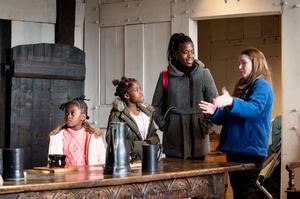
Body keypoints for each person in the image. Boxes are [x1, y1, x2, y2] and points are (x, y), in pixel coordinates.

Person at [199, 47, 273, 199]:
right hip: (236, 150)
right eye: (239, 63)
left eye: (243, 63)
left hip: (249, 151)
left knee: (245, 193)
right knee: (241, 194)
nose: (239, 67)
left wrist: (231, 101)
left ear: (255, 63)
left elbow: (254, 108)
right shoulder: (242, 85)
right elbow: (228, 118)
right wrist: (215, 112)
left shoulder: (262, 85)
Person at [152, 33, 218, 159]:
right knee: (175, 178)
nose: (190, 56)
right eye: (185, 52)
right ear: (176, 54)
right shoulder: (165, 76)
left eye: (192, 51)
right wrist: (165, 126)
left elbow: (215, 103)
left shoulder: (204, 74)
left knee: (199, 178)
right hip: (174, 138)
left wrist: (207, 127)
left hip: (198, 136)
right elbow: (155, 106)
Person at [106, 77, 160, 160]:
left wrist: (147, 142)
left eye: (140, 89)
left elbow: (155, 137)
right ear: (127, 95)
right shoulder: (118, 114)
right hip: (126, 161)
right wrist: (141, 145)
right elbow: (112, 140)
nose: (141, 92)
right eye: (136, 90)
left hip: (148, 159)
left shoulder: (147, 114)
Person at [48, 96, 106, 166]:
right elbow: (53, 164)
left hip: (89, 175)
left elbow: (102, 159)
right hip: (65, 176)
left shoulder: (94, 136)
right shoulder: (58, 137)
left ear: (83, 117)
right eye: (67, 113)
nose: (68, 116)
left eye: (73, 113)